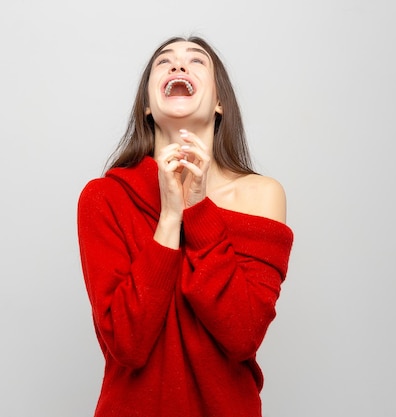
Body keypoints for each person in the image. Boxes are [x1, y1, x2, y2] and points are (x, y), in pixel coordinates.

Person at [77, 35, 294, 417]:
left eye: (197, 61)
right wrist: (169, 217)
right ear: (147, 105)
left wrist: (198, 209)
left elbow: (242, 334)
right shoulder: (104, 198)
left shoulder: (262, 196)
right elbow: (127, 344)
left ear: (220, 102)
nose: (178, 66)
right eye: (164, 62)